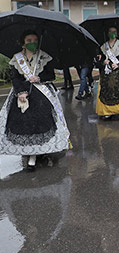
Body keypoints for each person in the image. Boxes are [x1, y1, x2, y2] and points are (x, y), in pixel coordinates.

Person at [0, 30, 70, 171]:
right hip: (22, 93)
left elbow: (50, 75)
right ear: (23, 43)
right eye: (29, 41)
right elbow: (15, 78)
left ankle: (38, 153)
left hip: (41, 93)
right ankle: (29, 152)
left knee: (42, 121)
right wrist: (21, 92)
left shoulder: (44, 57)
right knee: (23, 124)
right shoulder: (17, 59)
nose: (32, 43)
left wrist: (39, 78)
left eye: (35, 40)